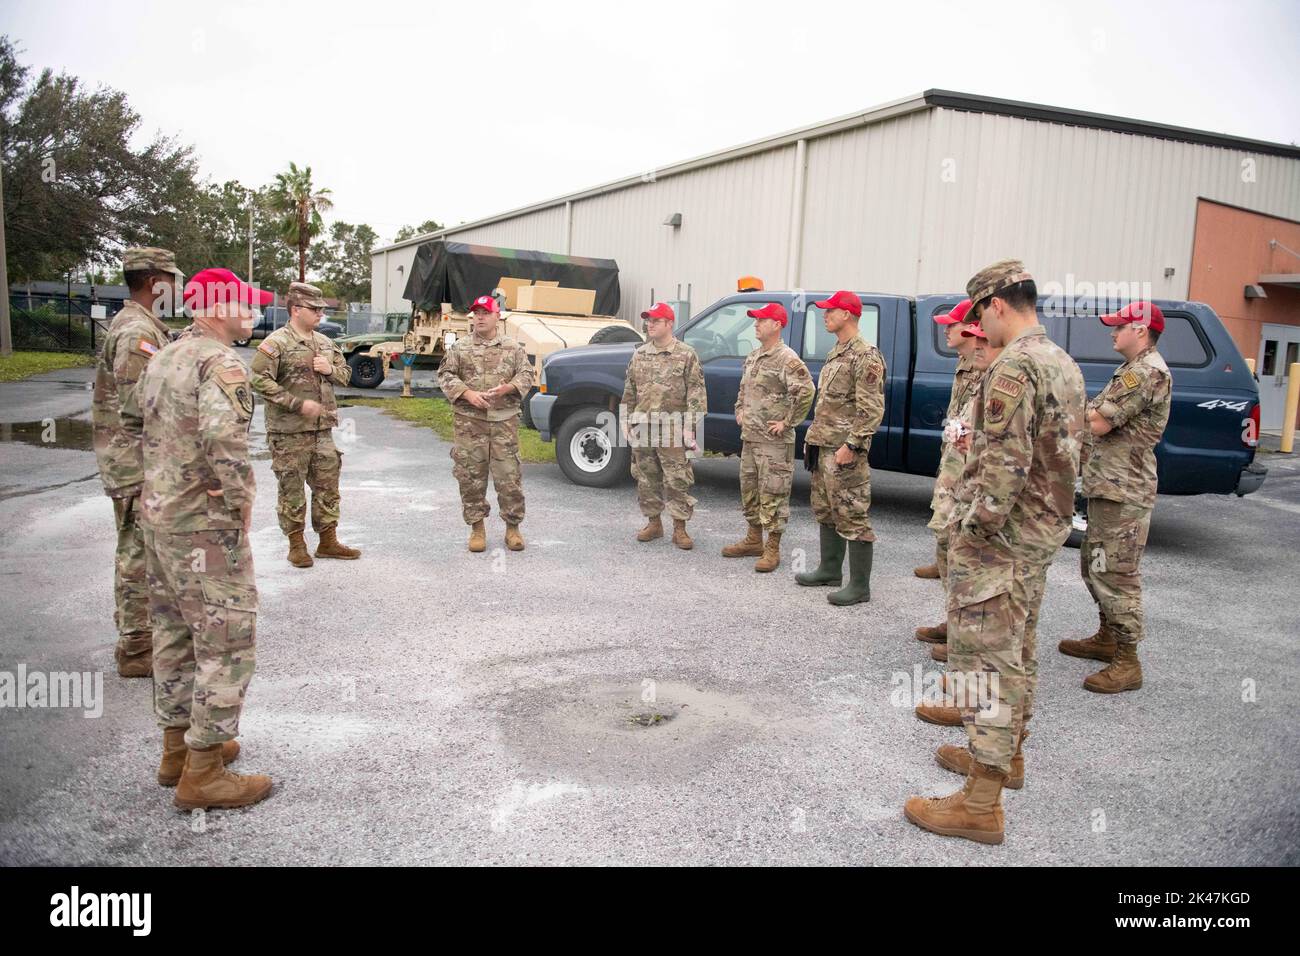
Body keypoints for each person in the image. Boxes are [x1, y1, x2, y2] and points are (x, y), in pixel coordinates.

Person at [905, 260, 1085, 845]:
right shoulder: (1062, 361)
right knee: (1019, 651)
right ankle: (1008, 761)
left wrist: (971, 532)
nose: (981, 322)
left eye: (981, 311)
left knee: (987, 664)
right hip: (1037, 536)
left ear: (998, 305)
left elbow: (1005, 466)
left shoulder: (1015, 367)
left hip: (1001, 541)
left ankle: (980, 805)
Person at [134, 267, 274, 809]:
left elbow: (137, 424)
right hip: (203, 526)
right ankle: (205, 772)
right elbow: (223, 437)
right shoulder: (220, 363)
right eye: (245, 304)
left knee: (173, 634)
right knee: (226, 640)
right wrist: (238, 501)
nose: (253, 313)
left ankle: (176, 751)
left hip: (162, 517)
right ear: (215, 306)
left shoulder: (164, 355)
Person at [1059, 302, 1171, 693]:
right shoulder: (1130, 369)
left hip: (1126, 490)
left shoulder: (1146, 372)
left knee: (1118, 574)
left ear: (1141, 330)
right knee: (1095, 565)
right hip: (1109, 485)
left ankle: (1128, 661)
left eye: (1120, 326)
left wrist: (1066, 413)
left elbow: (1099, 421)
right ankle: (1107, 637)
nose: (1112, 332)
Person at [91, 247, 183, 677]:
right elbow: (139, 404)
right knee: (138, 555)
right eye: (172, 279)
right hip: (138, 462)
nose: (178, 287)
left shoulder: (145, 327)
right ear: (153, 283)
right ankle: (136, 649)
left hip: (141, 460)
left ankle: (144, 637)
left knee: (145, 552)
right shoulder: (136, 333)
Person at [250, 282, 359, 567]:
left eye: (322, 309)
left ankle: (328, 541)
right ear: (296, 309)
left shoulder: (324, 343)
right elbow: (258, 380)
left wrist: (330, 370)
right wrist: (296, 403)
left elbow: (346, 374)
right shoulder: (277, 343)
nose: (320, 314)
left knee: (327, 486)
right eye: (315, 309)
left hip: (322, 430)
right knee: (292, 489)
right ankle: (296, 544)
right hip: (288, 431)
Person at [793, 290, 886, 605]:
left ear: (847, 314)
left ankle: (860, 587)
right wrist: (814, 440)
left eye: (830, 310)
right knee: (826, 510)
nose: (825, 315)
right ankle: (830, 570)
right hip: (824, 445)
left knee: (852, 513)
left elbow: (870, 409)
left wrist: (853, 444)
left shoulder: (865, 355)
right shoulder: (838, 351)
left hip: (844, 450)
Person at [437, 294, 533, 552]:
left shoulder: (512, 348)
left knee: (509, 477)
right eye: (476, 313)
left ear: (496, 316)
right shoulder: (460, 347)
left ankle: (513, 528)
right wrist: (468, 394)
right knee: (470, 477)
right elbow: (445, 375)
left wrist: (508, 388)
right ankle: (477, 528)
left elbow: (527, 374)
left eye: (485, 312)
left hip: (504, 423)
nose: (479, 317)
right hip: (470, 424)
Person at [722, 302, 814, 571]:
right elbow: (743, 388)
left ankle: (772, 547)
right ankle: (753, 539)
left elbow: (806, 390)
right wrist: (739, 409)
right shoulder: (753, 356)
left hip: (774, 443)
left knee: (773, 493)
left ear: (777, 324)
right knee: (749, 490)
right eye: (756, 320)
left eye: (761, 320)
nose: (756, 324)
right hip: (750, 438)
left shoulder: (786, 358)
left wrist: (788, 422)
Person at [914, 300, 982, 647]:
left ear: (971, 328)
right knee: (945, 545)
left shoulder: (987, 368)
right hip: (953, 471)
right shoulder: (964, 364)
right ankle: (954, 620)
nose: (946, 329)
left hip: (970, 477)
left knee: (962, 556)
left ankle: (965, 635)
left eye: (952, 324)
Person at [622, 302, 707, 550]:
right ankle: (654, 523)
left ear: (669, 323)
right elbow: (629, 390)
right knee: (646, 478)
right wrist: (625, 420)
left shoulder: (686, 354)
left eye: (655, 321)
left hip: (673, 427)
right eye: (648, 320)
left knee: (677, 478)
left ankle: (680, 528)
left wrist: (690, 426)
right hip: (643, 426)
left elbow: (696, 394)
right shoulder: (640, 354)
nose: (650, 324)